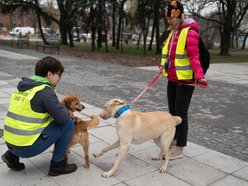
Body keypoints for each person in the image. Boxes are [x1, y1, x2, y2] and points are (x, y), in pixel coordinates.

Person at [1, 56, 77, 176]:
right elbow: (62, 118)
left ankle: (11, 156)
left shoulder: (23, 87)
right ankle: (58, 165)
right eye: (59, 74)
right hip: (25, 148)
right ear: (49, 74)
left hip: (10, 143)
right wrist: (64, 108)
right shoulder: (44, 91)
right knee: (68, 123)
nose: (60, 78)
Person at [160, 0, 208, 159]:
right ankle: (174, 139)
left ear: (179, 16)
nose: (168, 22)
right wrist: (162, 65)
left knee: (181, 113)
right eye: (167, 19)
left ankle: (180, 147)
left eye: (170, 19)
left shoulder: (190, 32)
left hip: (185, 82)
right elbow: (167, 51)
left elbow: (194, 56)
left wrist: (199, 76)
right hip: (172, 80)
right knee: (172, 112)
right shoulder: (174, 32)